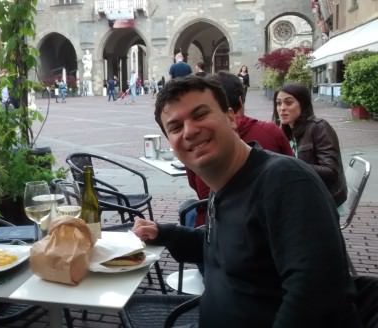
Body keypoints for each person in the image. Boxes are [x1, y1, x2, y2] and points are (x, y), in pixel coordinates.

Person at [133, 76, 360, 327]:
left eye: (200, 115)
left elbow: (316, 302)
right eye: (175, 127)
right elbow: (231, 251)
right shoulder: (224, 184)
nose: (189, 131)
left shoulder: (287, 182)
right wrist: (166, 234)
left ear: (231, 117)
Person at [183, 72, 294, 227]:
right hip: (273, 221)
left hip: (214, 222)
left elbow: (196, 186)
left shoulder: (197, 141)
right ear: (241, 102)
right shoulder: (271, 132)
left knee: (188, 213)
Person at [273, 83, 347, 207]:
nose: (282, 108)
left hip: (322, 200)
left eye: (288, 102)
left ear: (303, 104)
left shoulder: (319, 127)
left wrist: (291, 165)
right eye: (279, 103)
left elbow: (331, 172)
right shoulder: (287, 130)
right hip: (302, 193)